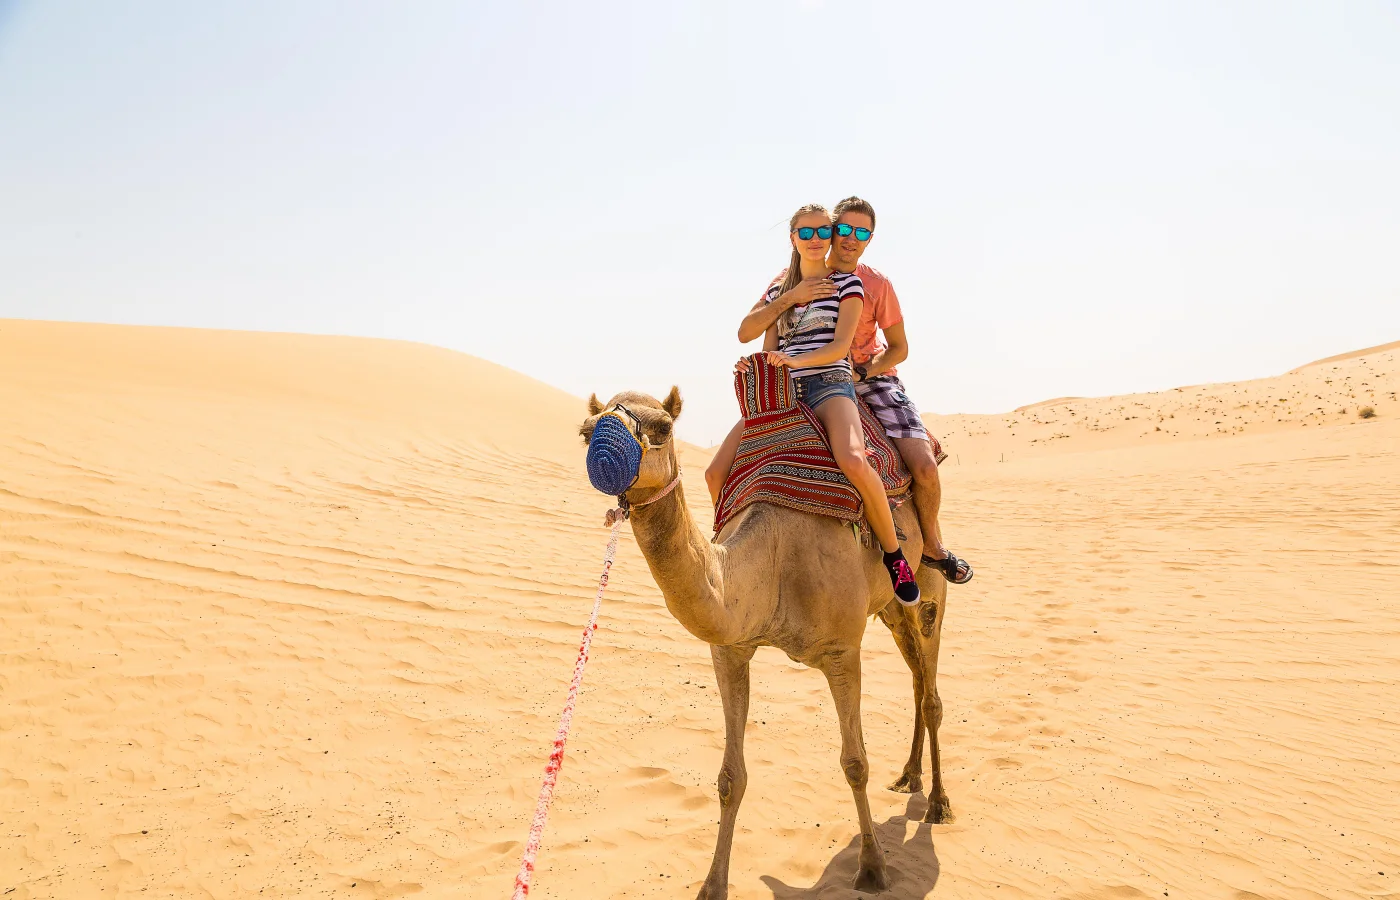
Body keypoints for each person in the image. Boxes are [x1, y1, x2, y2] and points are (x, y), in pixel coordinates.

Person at [707, 197, 972, 586]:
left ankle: (925, 548)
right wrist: (765, 358)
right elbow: (758, 336)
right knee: (717, 470)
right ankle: (731, 552)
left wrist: (859, 369)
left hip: (860, 377)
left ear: (869, 238)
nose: (847, 238)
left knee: (914, 465)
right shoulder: (785, 282)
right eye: (842, 229)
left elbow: (886, 347)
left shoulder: (867, 284)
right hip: (791, 382)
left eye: (859, 231)